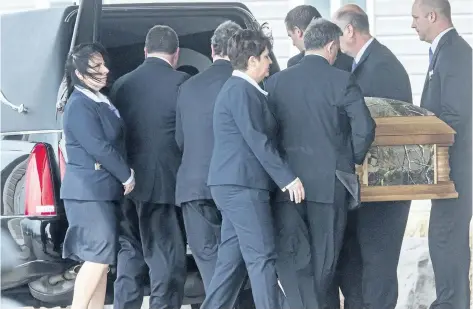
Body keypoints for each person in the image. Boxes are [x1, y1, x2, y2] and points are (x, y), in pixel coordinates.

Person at [265, 18, 376, 309]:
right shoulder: (342, 80)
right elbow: (365, 127)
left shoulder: (276, 82)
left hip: (287, 186)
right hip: (330, 186)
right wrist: (350, 160)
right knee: (325, 262)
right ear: (330, 46)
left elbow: (267, 131)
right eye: (336, 48)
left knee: (295, 261)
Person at [200, 27, 305, 309]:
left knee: (230, 264)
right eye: (266, 57)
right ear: (251, 61)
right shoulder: (241, 90)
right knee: (263, 258)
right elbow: (258, 140)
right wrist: (288, 178)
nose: (270, 62)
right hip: (242, 186)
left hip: (233, 185)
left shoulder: (243, 90)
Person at [327, 5, 413, 309]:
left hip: (386, 188)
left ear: (349, 30)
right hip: (371, 186)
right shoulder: (365, 62)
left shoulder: (382, 66)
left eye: (336, 34)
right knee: (364, 265)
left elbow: (375, 125)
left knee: (378, 268)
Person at [109, 25, 189, 309]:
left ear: (145, 51)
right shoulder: (182, 83)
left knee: (130, 253)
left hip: (126, 183)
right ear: (176, 53)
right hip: (165, 185)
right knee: (166, 257)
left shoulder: (121, 85)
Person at [59, 43, 135, 309]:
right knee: (98, 257)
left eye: (103, 64)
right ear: (80, 74)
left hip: (101, 191)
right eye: (96, 67)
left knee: (101, 259)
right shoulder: (79, 105)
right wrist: (126, 175)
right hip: (88, 192)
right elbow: (98, 146)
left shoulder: (98, 99)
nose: (105, 70)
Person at [411, 1, 472, 308]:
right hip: (446, 169)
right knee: (443, 239)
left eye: (416, 18)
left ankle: (452, 303)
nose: (413, 24)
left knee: (447, 239)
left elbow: (456, 115)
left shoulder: (456, 53)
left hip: (456, 168)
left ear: (432, 16)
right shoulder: (445, 52)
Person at [175, 20, 242, 291]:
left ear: (212, 49)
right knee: (240, 260)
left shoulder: (187, 86)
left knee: (209, 261)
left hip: (194, 185)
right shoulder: (243, 84)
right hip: (236, 185)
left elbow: (180, 139)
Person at [284, 4, 353, 71]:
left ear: (298, 32)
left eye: (290, 36)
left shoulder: (294, 64)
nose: (293, 43)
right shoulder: (351, 62)